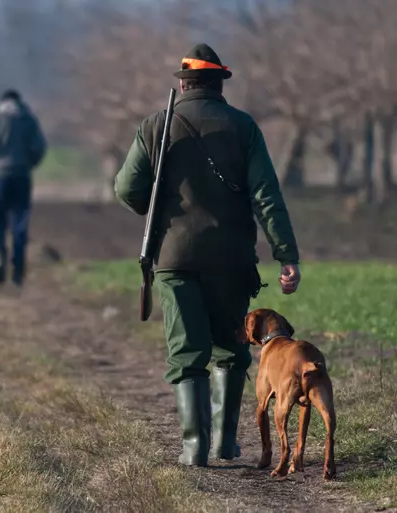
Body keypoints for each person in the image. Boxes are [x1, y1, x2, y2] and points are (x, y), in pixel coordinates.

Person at [114, 43, 301, 467]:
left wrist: (155, 204)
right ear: (219, 83)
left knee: (186, 351)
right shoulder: (244, 127)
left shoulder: (156, 126)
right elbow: (266, 196)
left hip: (174, 259)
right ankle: (225, 444)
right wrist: (286, 253)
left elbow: (127, 189)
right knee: (230, 350)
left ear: (183, 83)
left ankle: (194, 448)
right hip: (232, 259)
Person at [0, 89, 47, 286]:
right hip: (22, 174)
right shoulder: (28, 119)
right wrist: (29, 163)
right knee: (19, 219)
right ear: (19, 101)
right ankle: (18, 267)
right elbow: (40, 147)